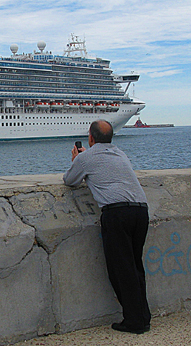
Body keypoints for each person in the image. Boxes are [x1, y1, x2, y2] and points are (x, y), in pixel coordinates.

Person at [63, 120, 151, 334]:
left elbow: (69, 181)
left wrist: (77, 160)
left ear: (90, 138)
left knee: (121, 269)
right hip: (140, 210)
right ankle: (143, 316)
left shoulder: (85, 158)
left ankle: (134, 321)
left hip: (117, 213)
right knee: (135, 266)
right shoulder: (120, 154)